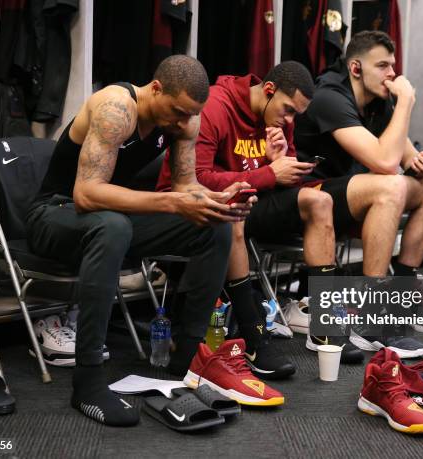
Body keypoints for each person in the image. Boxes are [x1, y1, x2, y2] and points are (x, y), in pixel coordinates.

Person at [26, 55, 251, 427]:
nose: (184, 122)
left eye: (190, 115)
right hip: (54, 214)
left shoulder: (184, 118)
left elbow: (184, 187)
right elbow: (86, 194)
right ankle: (88, 381)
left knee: (213, 225)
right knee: (114, 226)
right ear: (156, 88)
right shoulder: (116, 109)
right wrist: (171, 202)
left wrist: (218, 199)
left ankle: (190, 356)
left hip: (110, 220)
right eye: (178, 111)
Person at [156, 61, 366, 367]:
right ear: (268, 90)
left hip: (255, 200)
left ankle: (325, 329)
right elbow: (194, 179)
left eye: (297, 114)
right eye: (288, 110)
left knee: (320, 202)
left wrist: (282, 162)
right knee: (235, 210)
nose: (291, 119)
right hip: (198, 205)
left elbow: (281, 177)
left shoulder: (280, 119)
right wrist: (268, 173)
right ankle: (254, 336)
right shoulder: (216, 106)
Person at [295, 30, 423, 353]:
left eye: (393, 65)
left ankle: (400, 298)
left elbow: (404, 159)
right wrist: (406, 102)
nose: (392, 74)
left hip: (357, 192)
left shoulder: (380, 101)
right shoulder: (330, 96)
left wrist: (422, 163)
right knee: (390, 185)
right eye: (383, 66)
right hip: (312, 197)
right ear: (355, 68)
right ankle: (371, 320)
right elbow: (384, 161)